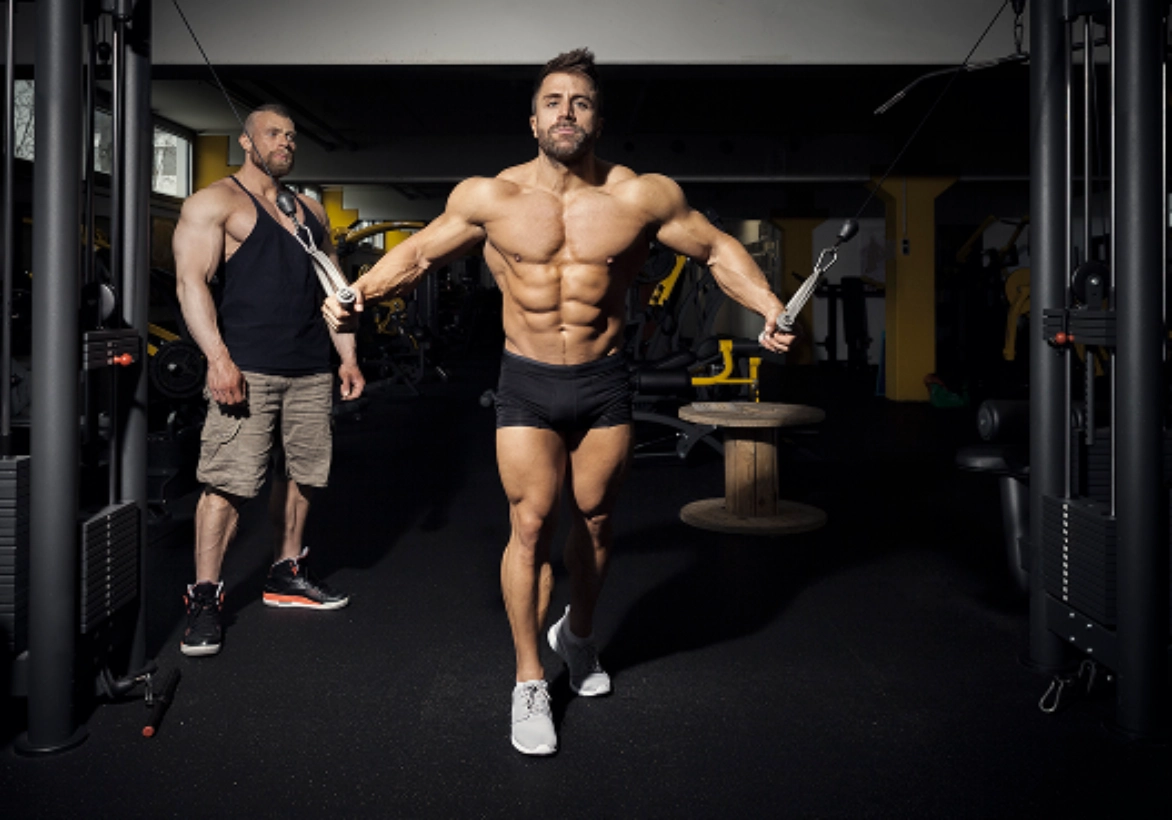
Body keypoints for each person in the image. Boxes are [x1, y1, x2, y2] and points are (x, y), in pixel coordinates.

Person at [324, 49, 794, 755]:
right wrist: (360, 295)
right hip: (526, 381)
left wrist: (768, 304)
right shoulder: (492, 197)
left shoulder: (641, 196)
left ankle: (577, 635)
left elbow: (718, 249)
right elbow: (418, 254)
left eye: (579, 101)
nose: (566, 112)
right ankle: (528, 682)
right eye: (553, 100)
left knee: (599, 522)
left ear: (597, 118)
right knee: (530, 523)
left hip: (604, 382)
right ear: (534, 116)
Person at [173, 103, 365, 657]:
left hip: (310, 367)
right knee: (229, 482)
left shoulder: (308, 210)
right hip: (247, 366)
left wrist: (347, 357)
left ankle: (285, 573)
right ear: (246, 141)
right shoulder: (216, 202)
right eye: (274, 134)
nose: (286, 142)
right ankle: (205, 597)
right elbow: (192, 284)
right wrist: (216, 358)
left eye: (292, 136)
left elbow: (336, 288)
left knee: (304, 474)